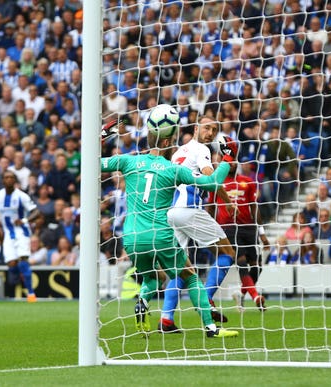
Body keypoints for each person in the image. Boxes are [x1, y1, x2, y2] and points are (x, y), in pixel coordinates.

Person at [100, 118, 239, 338]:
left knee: (153, 278)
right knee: (190, 275)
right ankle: (211, 328)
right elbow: (211, 183)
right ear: (166, 143)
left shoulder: (128, 161)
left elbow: (93, 163)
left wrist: (103, 135)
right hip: (161, 234)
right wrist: (228, 158)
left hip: (132, 238)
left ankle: (144, 302)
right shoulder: (173, 170)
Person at [160, 118, 242, 333]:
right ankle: (206, 299)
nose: (210, 132)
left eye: (214, 130)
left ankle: (166, 318)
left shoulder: (179, 152)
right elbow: (210, 178)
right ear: (196, 129)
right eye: (206, 128)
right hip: (189, 210)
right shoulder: (201, 149)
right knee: (228, 252)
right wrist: (227, 199)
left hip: (171, 212)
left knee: (180, 267)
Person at [208, 152, 270, 310]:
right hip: (228, 228)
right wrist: (211, 231)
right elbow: (210, 208)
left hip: (248, 228)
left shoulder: (248, 182)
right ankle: (256, 297)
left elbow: (254, 208)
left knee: (256, 267)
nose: (232, 164)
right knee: (241, 261)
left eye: (234, 161)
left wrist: (262, 233)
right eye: (229, 161)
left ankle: (241, 294)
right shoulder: (216, 183)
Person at [0, 170, 42, 302]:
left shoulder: (22, 196)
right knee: (12, 264)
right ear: (3, 180)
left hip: (22, 232)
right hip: (7, 233)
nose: (8, 179)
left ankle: (31, 294)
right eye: (6, 177)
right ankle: (17, 285)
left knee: (23, 261)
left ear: (15, 180)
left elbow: (36, 212)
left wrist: (24, 220)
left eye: (11, 177)